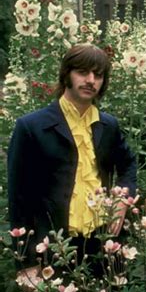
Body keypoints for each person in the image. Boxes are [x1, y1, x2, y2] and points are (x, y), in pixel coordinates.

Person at [7, 44, 137, 272]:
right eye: (83, 72)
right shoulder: (31, 127)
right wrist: (26, 263)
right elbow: (18, 200)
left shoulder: (108, 125)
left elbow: (128, 163)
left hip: (102, 242)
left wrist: (122, 199)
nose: (91, 80)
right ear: (66, 73)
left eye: (98, 75)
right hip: (52, 248)